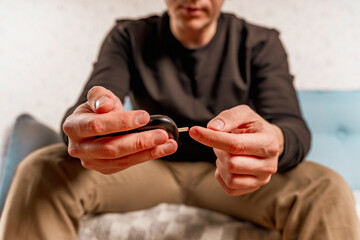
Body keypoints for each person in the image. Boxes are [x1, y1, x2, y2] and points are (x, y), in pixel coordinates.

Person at [1, 0, 359, 239]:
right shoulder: (128, 36)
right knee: (40, 170)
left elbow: (292, 126)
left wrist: (274, 141)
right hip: (147, 168)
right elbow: (87, 108)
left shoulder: (260, 42)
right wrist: (90, 127)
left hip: (228, 173)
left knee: (325, 187)